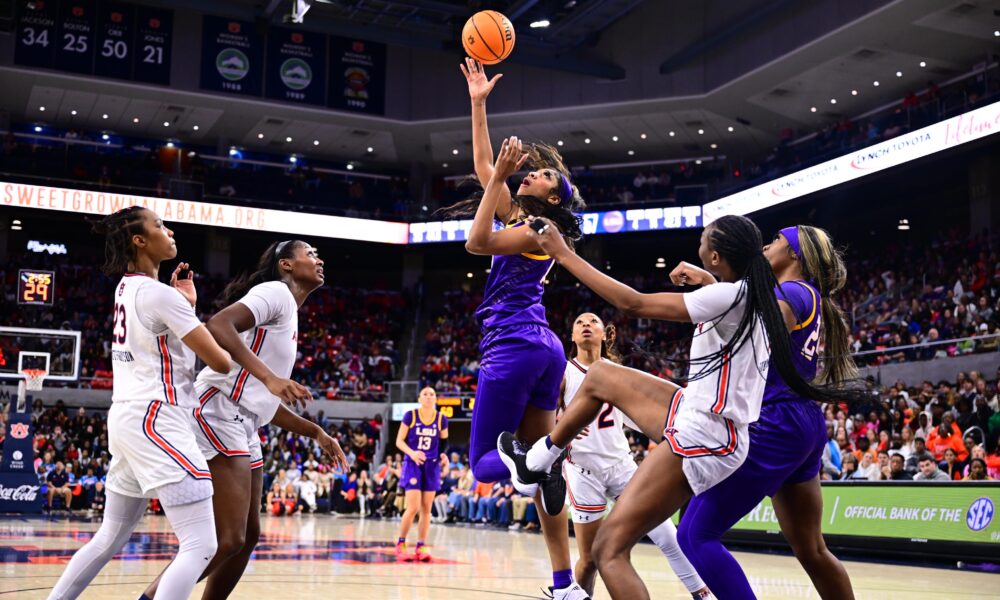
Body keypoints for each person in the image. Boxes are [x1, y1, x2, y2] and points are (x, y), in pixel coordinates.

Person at [500, 215, 865, 599]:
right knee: (811, 548)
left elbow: (754, 316)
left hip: (764, 420)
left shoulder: (792, 293)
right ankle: (538, 460)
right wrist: (713, 282)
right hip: (794, 421)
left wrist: (562, 253)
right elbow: (741, 308)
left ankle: (538, 461)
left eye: (776, 239)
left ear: (795, 252)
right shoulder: (780, 295)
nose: (766, 245)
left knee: (690, 535)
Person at [450, 57, 588, 599]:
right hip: (545, 348)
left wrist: (500, 181)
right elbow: (486, 166)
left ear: (551, 197)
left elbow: (475, 243)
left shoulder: (537, 227)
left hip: (513, 343)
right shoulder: (525, 217)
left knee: (486, 466)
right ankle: (563, 584)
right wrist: (479, 102)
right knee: (541, 473)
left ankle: (518, 453)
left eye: (540, 176)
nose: (528, 172)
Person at [142, 240, 349, 600]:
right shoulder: (275, 293)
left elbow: (263, 404)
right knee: (228, 538)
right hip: (217, 408)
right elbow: (219, 324)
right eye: (310, 254)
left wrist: (316, 433)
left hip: (243, 419)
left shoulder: (289, 311)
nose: (319, 260)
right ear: (286, 264)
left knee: (248, 537)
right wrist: (270, 377)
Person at [49, 207, 232, 600]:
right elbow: (219, 360)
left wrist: (185, 309)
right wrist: (186, 311)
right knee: (202, 544)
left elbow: (163, 338)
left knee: (109, 536)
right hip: (157, 418)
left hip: (128, 417)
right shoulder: (158, 294)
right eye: (160, 226)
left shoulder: (126, 288)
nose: (169, 232)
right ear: (140, 240)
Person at [560, 313, 709, 599]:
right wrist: (557, 423)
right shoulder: (564, 372)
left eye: (593, 322)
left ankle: (701, 594)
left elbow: (635, 415)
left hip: (621, 466)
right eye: (579, 322)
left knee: (667, 536)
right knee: (590, 559)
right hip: (582, 471)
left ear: (605, 334)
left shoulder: (618, 372)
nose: (586, 325)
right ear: (572, 336)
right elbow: (543, 414)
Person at [395, 387, 449, 561]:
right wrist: (412, 453)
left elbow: (443, 442)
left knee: (427, 509)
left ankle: (421, 545)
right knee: (413, 507)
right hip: (413, 463)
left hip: (432, 465)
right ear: (419, 398)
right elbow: (399, 441)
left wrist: (443, 454)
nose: (428, 396)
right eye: (425, 394)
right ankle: (401, 543)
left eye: (432, 394)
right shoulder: (410, 415)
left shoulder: (442, 418)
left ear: (435, 399)